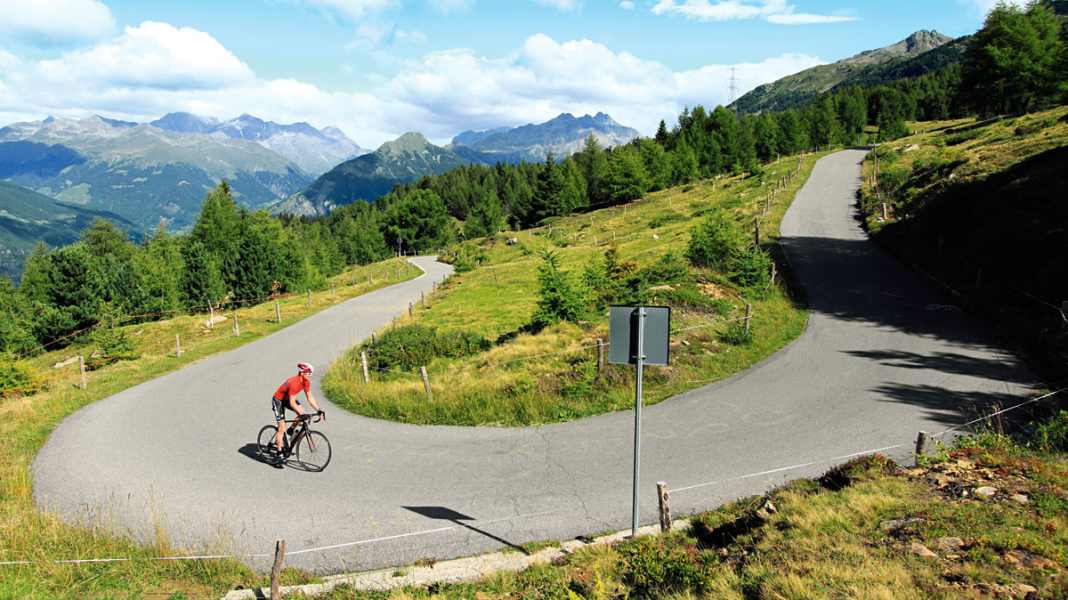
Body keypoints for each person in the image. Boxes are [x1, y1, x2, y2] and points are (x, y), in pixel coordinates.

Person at [271, 362, 325, 462]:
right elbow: (292, 403)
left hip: (287, 399)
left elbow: (310, 397)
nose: (310, 375)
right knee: (281, 428)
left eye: (311, 373)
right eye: (309, 373)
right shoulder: (294, 382)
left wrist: (318, 410)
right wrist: (302, 414)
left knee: (302, 413)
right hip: (278, 400)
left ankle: (291, 430)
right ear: (303, 373)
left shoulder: (306, 382)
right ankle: (278, 455)